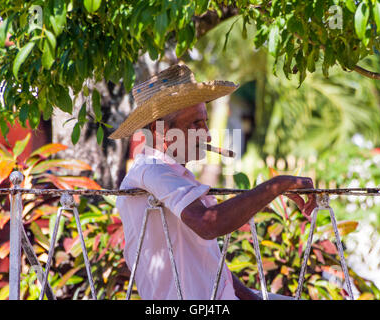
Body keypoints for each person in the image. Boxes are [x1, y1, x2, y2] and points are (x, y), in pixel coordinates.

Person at [109, 64, 316, 300]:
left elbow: (208, 262)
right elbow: (209, 224)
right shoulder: (151, 170)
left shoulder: (173, 175)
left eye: (205, 123)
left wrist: (252, 298)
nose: (206, 135)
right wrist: (277, 186)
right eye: (195, 124)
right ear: (161, 132)